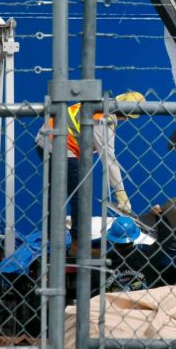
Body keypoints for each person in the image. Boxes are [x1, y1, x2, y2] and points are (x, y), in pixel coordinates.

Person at [35, 91, 144, 253]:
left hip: (44, 140)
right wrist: (120, 192)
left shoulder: (100, 103)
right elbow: (108, 157)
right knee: (80, 195)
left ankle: (54, 238)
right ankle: (78, 245)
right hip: (61, 146)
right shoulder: (104, 120)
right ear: (126, 116)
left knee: (58, 194)